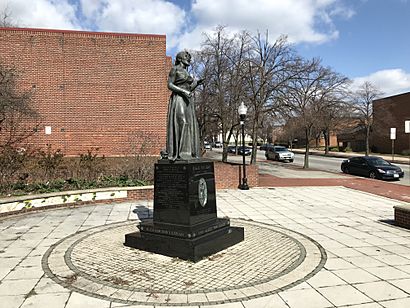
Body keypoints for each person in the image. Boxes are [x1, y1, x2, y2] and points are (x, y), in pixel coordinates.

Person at [165, 51, 203, 161]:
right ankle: (179, 153)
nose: (189, 59)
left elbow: (189, 89)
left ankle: (188, 152)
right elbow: (170, 85)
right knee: (182, 122)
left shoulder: (186, 73)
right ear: (180, 59)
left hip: (187, 100)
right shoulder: (175, 69)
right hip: (178, 98)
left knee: (189, 124)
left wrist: (196, 83)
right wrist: (183, 91)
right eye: (187, 57)